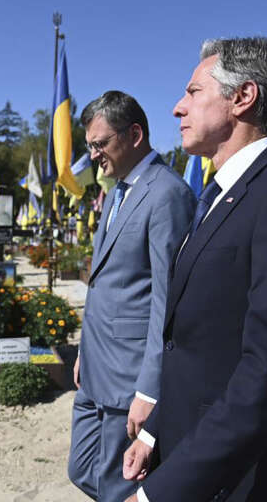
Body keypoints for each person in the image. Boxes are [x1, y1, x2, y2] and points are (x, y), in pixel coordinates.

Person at [122, 37, 267, 501]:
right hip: (201, 456)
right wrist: (153, 433)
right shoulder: (217, 197)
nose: (178, 108)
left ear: (242, 97)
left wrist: (164, 492)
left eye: (194, 91)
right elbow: (199, 344)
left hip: (259, 477)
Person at [68, 90, 196, 501]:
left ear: (135, 134)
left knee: (117, 488)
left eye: (100, 144)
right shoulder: (119, 189)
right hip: (95, 369)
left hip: (129, 380)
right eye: (89, 146)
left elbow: (167, 300)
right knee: (82, 470)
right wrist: (85, 352)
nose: (93, 156)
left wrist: (149, 390)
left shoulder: (166, 194)